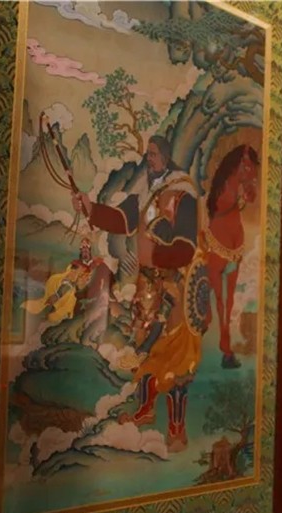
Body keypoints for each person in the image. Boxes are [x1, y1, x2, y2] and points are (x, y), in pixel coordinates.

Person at [72, 135, 209, 453]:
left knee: (177, 359)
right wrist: (90, 208)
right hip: (147, 285)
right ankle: (145, 410)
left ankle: (176, 428)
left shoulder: (182, 193)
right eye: (147, 154)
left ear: (166, 157)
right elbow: (122, 220)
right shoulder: (145, 189)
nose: (149, 159)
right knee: (144, 346)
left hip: (175, 286)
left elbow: (186, 246)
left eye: (154, 154)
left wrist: (161, 252)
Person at [203, 144, 259, 369]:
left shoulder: (240, 187)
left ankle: (226, 347)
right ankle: (223, 344)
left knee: (228, 299)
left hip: (234, 241)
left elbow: (249, 195)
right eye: (247, 167)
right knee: (220, 298)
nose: (251, 173)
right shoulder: (222, 188)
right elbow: (219, 204)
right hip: (218, 240)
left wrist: (246, 191)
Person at [23, 237, 114, 345]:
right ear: (80, 251)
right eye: (83, 249)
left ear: (90, 250)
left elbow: (110, 278)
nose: (85, 251)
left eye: (86, 248)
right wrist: (58, 294)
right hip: (81, 301)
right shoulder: (76, 265)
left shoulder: (99, 264)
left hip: (97, 300)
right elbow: (68, 281)